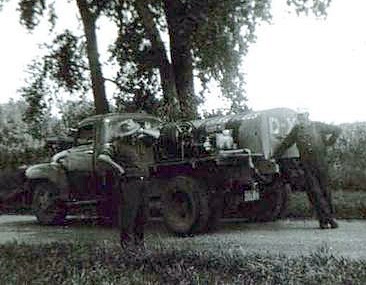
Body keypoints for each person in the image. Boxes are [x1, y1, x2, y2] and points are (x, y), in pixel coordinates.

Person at [97, 119, 160, 249]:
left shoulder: (141, 142)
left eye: (133, 132)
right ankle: (127, 248)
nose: (132, 135)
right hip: (129, 183)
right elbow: (102, 157)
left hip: (143, 182)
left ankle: (139, 245)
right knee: (128, 216)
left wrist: (142, 130)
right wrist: (118, 168)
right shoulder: (117, 145)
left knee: (143, 215)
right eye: (130, 133)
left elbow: (156, 135)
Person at [272, 112, 341, 229]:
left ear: (307, 115)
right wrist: (274, 156)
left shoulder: (318, 126)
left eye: (303, 116)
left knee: (326, 191)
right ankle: (324, 220)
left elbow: (337, 130)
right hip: (307, 166)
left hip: (321, 163)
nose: (301, 118)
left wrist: (328, 143)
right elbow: (286, 143)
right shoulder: (297, 130)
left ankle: (330, 218)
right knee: (315, 192)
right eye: (299, 116)